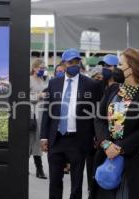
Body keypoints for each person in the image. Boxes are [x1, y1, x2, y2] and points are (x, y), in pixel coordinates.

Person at [91, 48, 139, 199]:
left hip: (136, 160)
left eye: (121, 64)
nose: (117, 68)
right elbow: (99, 118)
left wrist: (121, 147)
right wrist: (106, 144)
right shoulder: (114, 89)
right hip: (107, 155)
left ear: (133, 67)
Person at [41, 48, 102, 199]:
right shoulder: (54, 83)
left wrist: (96, 136)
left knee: (76, 184)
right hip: (56, 139)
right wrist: (43, 136)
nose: (74, 65)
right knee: (54, 182)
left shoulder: (90, 85)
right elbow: (47, 111)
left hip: (78, 140)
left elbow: (96, 114)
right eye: (70, 62)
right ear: (63, 64)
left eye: (77, 62)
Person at [30, 59, 48, 179]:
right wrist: (38, 96)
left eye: (44, 68)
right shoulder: (29, 80)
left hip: (41, 114)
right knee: (28, 140)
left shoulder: (44, 80)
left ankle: (39, 169)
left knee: (37, 140)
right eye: (41, 67)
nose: (43, 70)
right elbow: (22, 95)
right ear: (35, 68)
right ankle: (22, 166)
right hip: (31, 113)